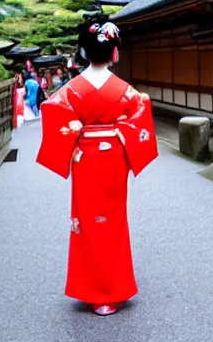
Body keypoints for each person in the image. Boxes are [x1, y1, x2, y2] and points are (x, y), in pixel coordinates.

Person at [35, 20, 158, 317]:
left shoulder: (72, 89)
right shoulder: (125, 91)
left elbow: (52, 111)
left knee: (86, 223)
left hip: (85, 159)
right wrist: (122, 135)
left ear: (82, 52)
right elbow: (141, 114)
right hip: (114, 158)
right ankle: (113, 292)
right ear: (113, 52)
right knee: (113, 222)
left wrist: (76, 136)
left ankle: (92, 292)